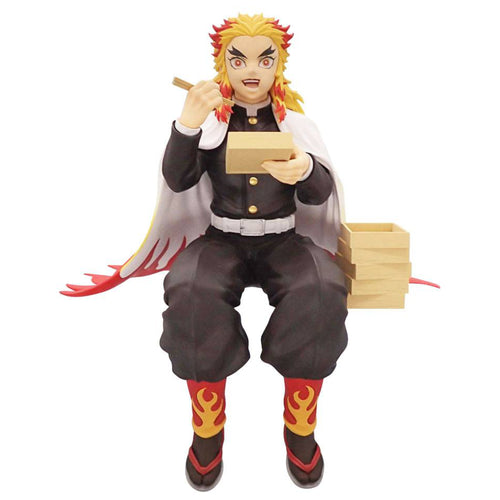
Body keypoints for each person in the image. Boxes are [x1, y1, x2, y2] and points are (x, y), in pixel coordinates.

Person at [62, 13, 348, 491]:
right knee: (190, 289)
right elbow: (178, 180)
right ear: (223, 65)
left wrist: (304, 169)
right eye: (239, 59)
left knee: (321, 288)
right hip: (222, 238)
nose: (252, 69)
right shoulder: (211, 124)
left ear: (279, 66)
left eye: (265, 59)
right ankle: (207, 425)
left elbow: (321, 193)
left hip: (283, 238)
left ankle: (300, 423)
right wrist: (187, 125)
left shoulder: (296, 125)